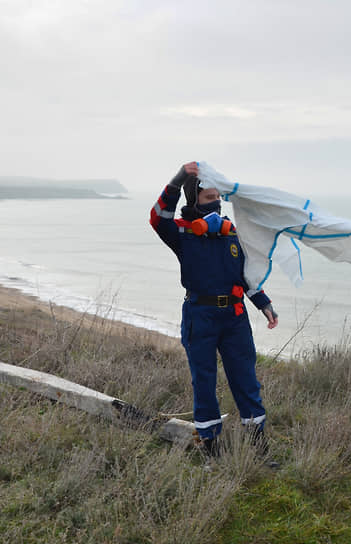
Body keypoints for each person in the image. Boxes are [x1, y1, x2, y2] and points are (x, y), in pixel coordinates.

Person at [149, 161, 279, 457]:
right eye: (210, 198)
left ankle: (258, 446)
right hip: (200, 317)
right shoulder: (180, 233)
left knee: (246, 380)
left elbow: (244, 275)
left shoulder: (231, 235)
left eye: (219, 198)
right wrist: (178, 178)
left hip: (234, 319)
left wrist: (264, 304)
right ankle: (211, 449)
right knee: (204, 382)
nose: (217, 203)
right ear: (194, 199)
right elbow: (158, 217)